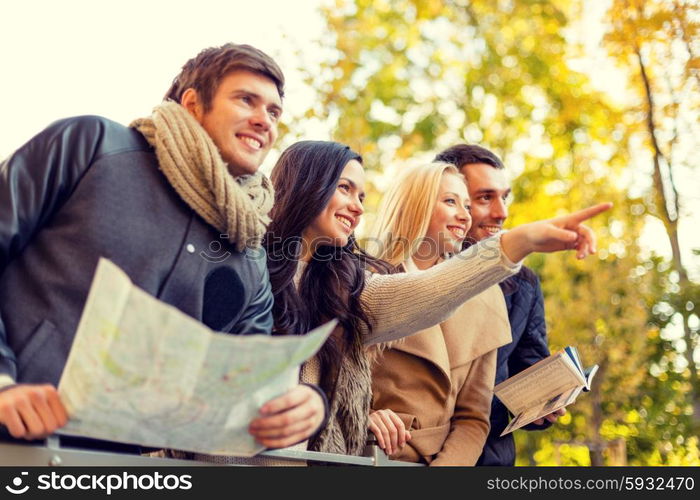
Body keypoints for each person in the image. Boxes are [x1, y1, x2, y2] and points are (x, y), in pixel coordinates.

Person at [0, 43, 326, 451]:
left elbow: (244, 388)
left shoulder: (250, 252)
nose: (265, 121)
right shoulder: (91, 145)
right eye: (247, 100)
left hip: (121, 470)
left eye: (274, 112)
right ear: (192, 104)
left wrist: (305, 407)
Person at [264, 139, 610, 456]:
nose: (357, 207)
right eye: (345, 188)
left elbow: (429, 294)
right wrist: (360, 415)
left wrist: (521, 242)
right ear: (306, 186)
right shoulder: (250, 272)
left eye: (362, 197)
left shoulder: (345, 287)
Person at [367, 162, 512, 465]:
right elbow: (331, 384)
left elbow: (473, 418)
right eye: (450, 201)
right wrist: (363, 415)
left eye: (467, 205)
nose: (465, 215)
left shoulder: (486, 297)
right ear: (415, 205)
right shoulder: (362, 280)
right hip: (370, 455)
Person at [435, 143, 564, 466]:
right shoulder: (401, 274)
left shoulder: (523, 284)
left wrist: (542, 404)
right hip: (411, 454)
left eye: (504, 197)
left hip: (490, 460)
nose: (501, 212)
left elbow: (528, 365)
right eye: (484, 198)